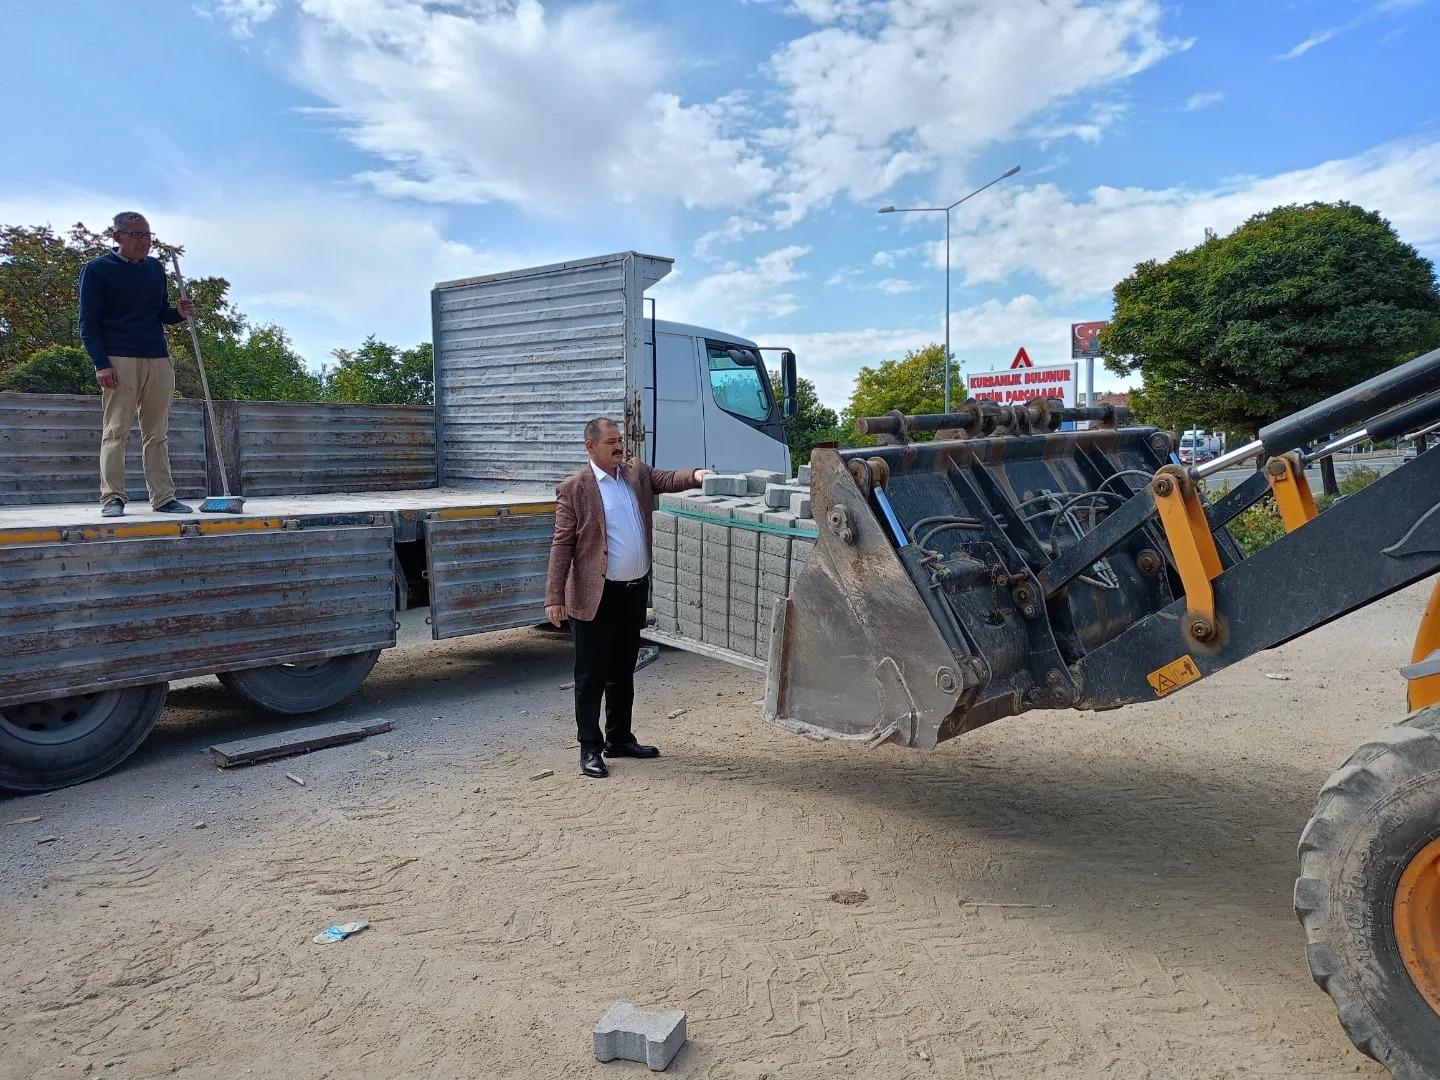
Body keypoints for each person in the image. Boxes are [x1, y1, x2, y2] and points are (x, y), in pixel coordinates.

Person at [545, 418, 711, 778]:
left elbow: (667, 480)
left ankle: (619, 739)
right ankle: (590, 748)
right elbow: (562, 545)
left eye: (620, 440)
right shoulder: (574, 488)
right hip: (595, 596)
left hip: (633, 591)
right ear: (591, 447)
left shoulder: (635, 472)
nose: (619, 447)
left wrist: (697, 474)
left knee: (622, 672)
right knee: (590, 676)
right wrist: (554, 597)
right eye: (611, 442)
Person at [78, 211, 196, 517]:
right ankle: (112, 498)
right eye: (137, 236)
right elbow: (88, 323)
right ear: (117, 236)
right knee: (116, 431)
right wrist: (101, 363)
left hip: (157, 357)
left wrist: (179, 313)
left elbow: (160, 313)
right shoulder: (97, 270)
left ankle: (163, 497)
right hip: (119, 358)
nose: (144, 242)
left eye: (148, 236)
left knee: (157, 432)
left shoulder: (155, 269)